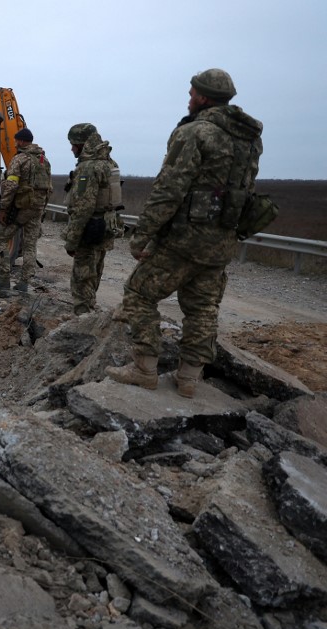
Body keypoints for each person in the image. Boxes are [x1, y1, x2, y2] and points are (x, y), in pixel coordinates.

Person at [106, 68, 263, 398]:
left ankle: (144, 369)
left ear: (203, 97)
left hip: (184, 239)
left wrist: (142, 234)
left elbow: (169, 189)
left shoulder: (195, 133)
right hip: (222, 240)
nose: (189, 98)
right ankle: (189, 378)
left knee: (139, 293)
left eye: (192, 93)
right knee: (203, 307)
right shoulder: (249, 138)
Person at [62, 123, 123, 315]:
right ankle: (89, 314)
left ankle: (83, 320)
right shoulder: (110, 164)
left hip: (90, 230)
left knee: (82, 280)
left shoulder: (88, 168)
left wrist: (71, 241)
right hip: (105, 227)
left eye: (73, 144)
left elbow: (83, 207)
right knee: (94, 274)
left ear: (81, 144)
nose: (72, 148)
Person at [0, 128, 52, 296]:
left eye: (17, 140)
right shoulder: (43, 161)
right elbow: (49, 188)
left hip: (20, 208)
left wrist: (3, 208)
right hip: (37, 209)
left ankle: (3, 279)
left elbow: (10, 186)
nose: (15, 143)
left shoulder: (20, 159)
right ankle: (24, 283)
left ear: (23, 141)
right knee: (30, 246)